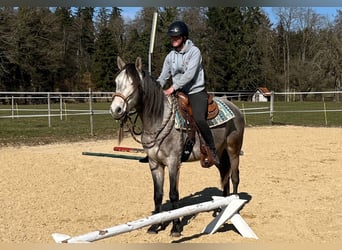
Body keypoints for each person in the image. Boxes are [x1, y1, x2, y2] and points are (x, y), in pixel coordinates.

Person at [140, 21, 220, 166]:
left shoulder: (195, 52)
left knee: (200, 119)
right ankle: (153, 151)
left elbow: (190, 74)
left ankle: (212, 150)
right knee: (157, 115)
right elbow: (163, 76)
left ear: (184, 37)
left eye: (176, 37)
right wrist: (155, 90)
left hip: (195, 91)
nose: (174, 39)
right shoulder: (170, 56)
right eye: (172, 37)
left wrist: (172, 88)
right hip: (177, 91)